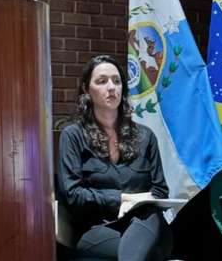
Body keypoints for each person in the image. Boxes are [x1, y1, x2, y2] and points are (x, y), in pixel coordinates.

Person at [57, 55, 172, 261]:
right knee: (148, 252)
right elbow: (73, 194)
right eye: (102, 81)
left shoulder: (145, 136)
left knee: (150, 218)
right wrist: (123, 198)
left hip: (145, 222)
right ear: (86, 89)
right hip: (97, 227)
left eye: (116, 81)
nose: (111, 87)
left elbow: (161, 191)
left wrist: (138, 203)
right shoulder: (72, 135)